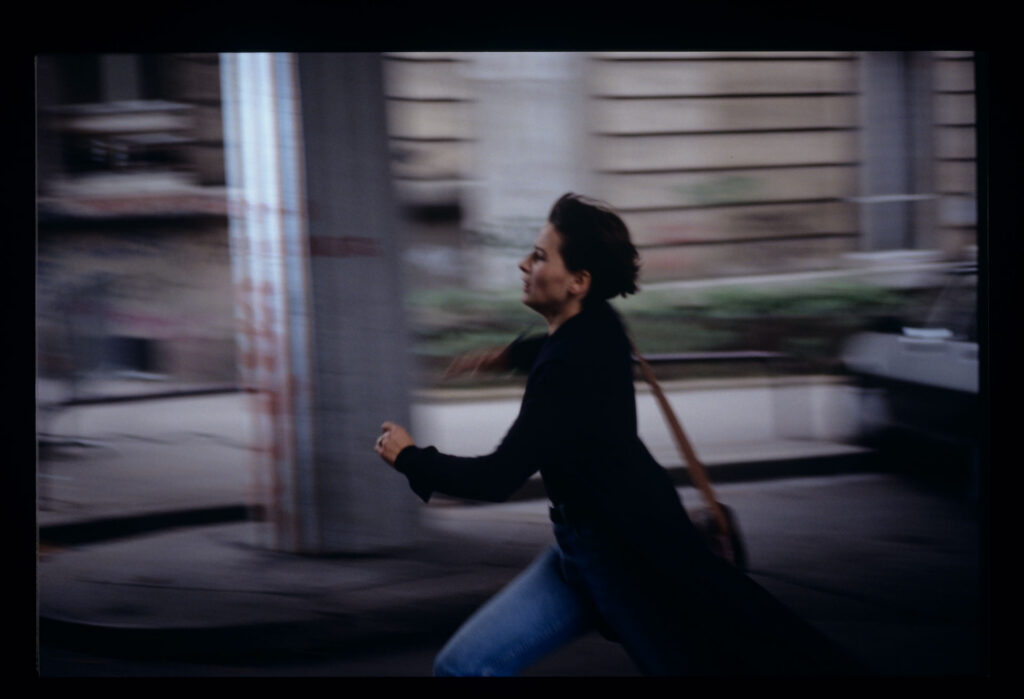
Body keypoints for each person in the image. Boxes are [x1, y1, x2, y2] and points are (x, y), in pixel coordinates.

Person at [374, 193, 862, 676]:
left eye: (540, 256)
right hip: (583, 551)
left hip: (634, 564)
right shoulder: (601, 325)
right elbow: (563, 342)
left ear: (578, 282)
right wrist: (508, 356)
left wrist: (412, 458)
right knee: (462, 667)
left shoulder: (566, 368)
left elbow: (497, 478)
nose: (524, 263)